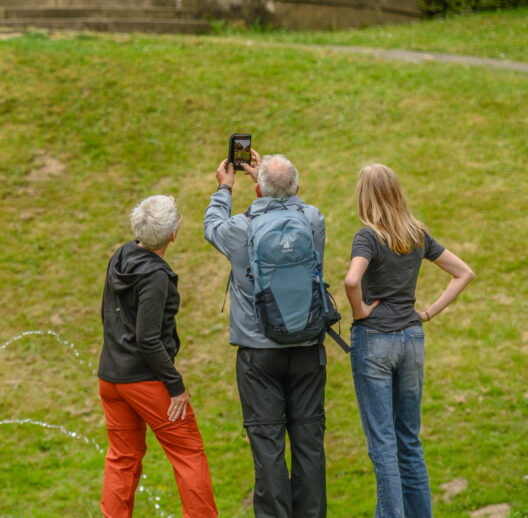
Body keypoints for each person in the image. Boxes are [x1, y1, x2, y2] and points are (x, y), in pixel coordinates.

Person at [345, 164, 474, 517]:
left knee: (383, 445)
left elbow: (352, 281)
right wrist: (427, 313)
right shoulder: (416, 234)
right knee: (409, 440)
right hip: (412, 341)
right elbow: (464, 273)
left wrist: (358, 313)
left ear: (364, 196)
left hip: (375, 343)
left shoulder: (367, 237)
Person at [203, 151, 327, 518]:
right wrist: (269, 187)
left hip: (258, 356)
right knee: (309, 446)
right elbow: (290, 204)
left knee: (268, 448)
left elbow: (211, 225)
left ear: (257, 189)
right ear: (298, 188)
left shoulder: (239, 228)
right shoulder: (313, 220)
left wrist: (225, 189)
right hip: (307, 348)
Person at [98, 195, 217, 518]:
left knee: (122, 457)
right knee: (189, 453)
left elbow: (107, 315)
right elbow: (148, 339)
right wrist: (175, 386)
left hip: (110, 377)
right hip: (145, 380)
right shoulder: (155, 275)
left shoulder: (121, 255)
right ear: (173, 235)